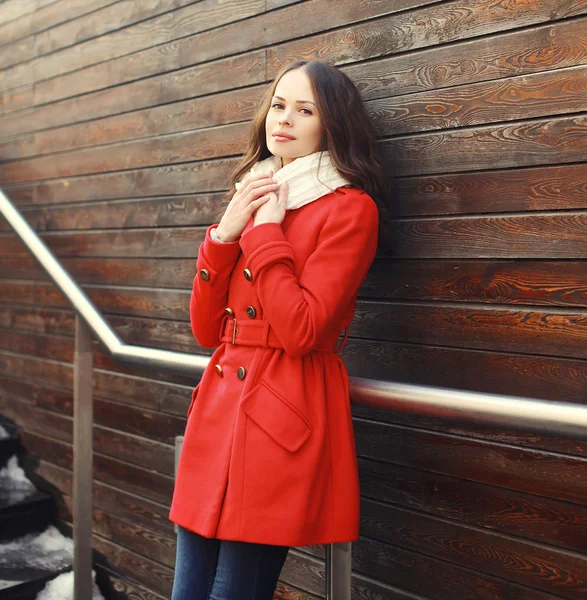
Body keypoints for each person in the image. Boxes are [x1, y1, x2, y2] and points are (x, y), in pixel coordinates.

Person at [169, 59, 389, 599]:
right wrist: (224, 235)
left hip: (279, 411)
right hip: (218, 412)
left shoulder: (350, 209)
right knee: (187, 588)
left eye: (305, 109)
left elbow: (303, 329)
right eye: (279, 105)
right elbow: (204, 329)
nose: (283, 119)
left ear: (332, 124)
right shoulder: (255, 191)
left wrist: (266, 235)